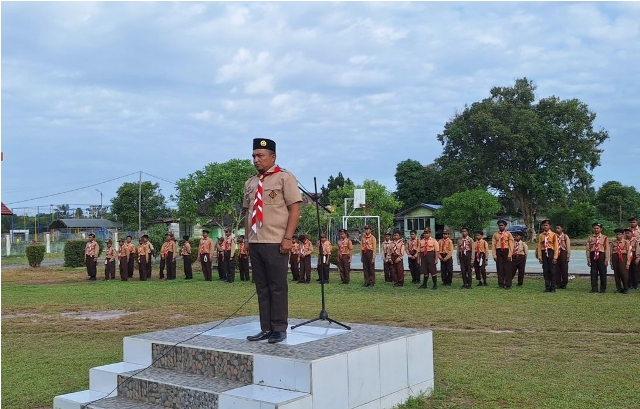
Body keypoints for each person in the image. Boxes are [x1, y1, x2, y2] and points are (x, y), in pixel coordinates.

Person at [243, 138, 301, 344]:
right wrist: (247, 240)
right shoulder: (251, 183)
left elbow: (294, 209)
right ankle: (265, 327)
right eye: (254, 156)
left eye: (260, 156)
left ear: (273, 157)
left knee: (277, 286)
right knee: (262, 286)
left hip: (276, 241)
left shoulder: (285, 178)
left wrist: (288, 238)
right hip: (256, 241)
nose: (256, 160)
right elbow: (248, 213)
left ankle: (279, 328)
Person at [536, 220, 558, 292]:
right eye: (544, 225)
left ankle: (553, 287)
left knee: (552, 271)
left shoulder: (553, 235)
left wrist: (555, 257)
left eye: (547, 225)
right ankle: (547, 287)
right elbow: (539, 246)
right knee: (545, 271)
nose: (545, 227)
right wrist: (539, 257)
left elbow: (556, 246)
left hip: (551, 252)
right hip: (544, 253)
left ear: (550, 226)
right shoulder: (541, 235)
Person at [587, 222, 609, 293]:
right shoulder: (590, 238)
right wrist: (588, 259)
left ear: (601, 229)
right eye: (594, 228)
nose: (596, 229)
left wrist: (606, 260)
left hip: (601, 255)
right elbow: (588, 249)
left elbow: (607, 249)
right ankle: (594, 288)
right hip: (593, 255)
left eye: (597, 228)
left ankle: (603, 289)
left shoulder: (604, 238)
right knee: (593, 273)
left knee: (602, 273)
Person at [492, 220, 514, 289]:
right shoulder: (495, 234)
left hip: (506, 251)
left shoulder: (508, 234)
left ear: (505, 226)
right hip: (498, 251)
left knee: (507, 268)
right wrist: (494, 255)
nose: (501, 226)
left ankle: (508, 284)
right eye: (499, 225)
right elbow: (493, 245)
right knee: (499, 268)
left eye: (502, 225)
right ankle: (501, 284)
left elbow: (511, 245)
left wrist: (510, 255)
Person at [610, 228, 630, 294]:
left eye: (619, 234)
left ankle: (626, 288)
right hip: (615, 258)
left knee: (623, 273)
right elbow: (611, 253)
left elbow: (629, 252)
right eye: (616, 234)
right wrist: (611, 262)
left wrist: (628, 262)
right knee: (616, 273)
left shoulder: (626, 242)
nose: (618, 236)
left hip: (623, 258)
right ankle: (619, 288)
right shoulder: (613, 243)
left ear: (622, 235)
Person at [555, 224, 571, 289]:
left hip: (563, 252)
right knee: (557, 269)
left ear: (562, 229)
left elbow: (568, 247)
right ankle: (558, 283)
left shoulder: (565, 236)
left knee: (564, 269)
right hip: (556, 253)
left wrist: (568, 256)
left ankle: (564, 283)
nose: (557, 229)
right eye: (556, 228)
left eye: (558, 228)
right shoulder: (554, 236)